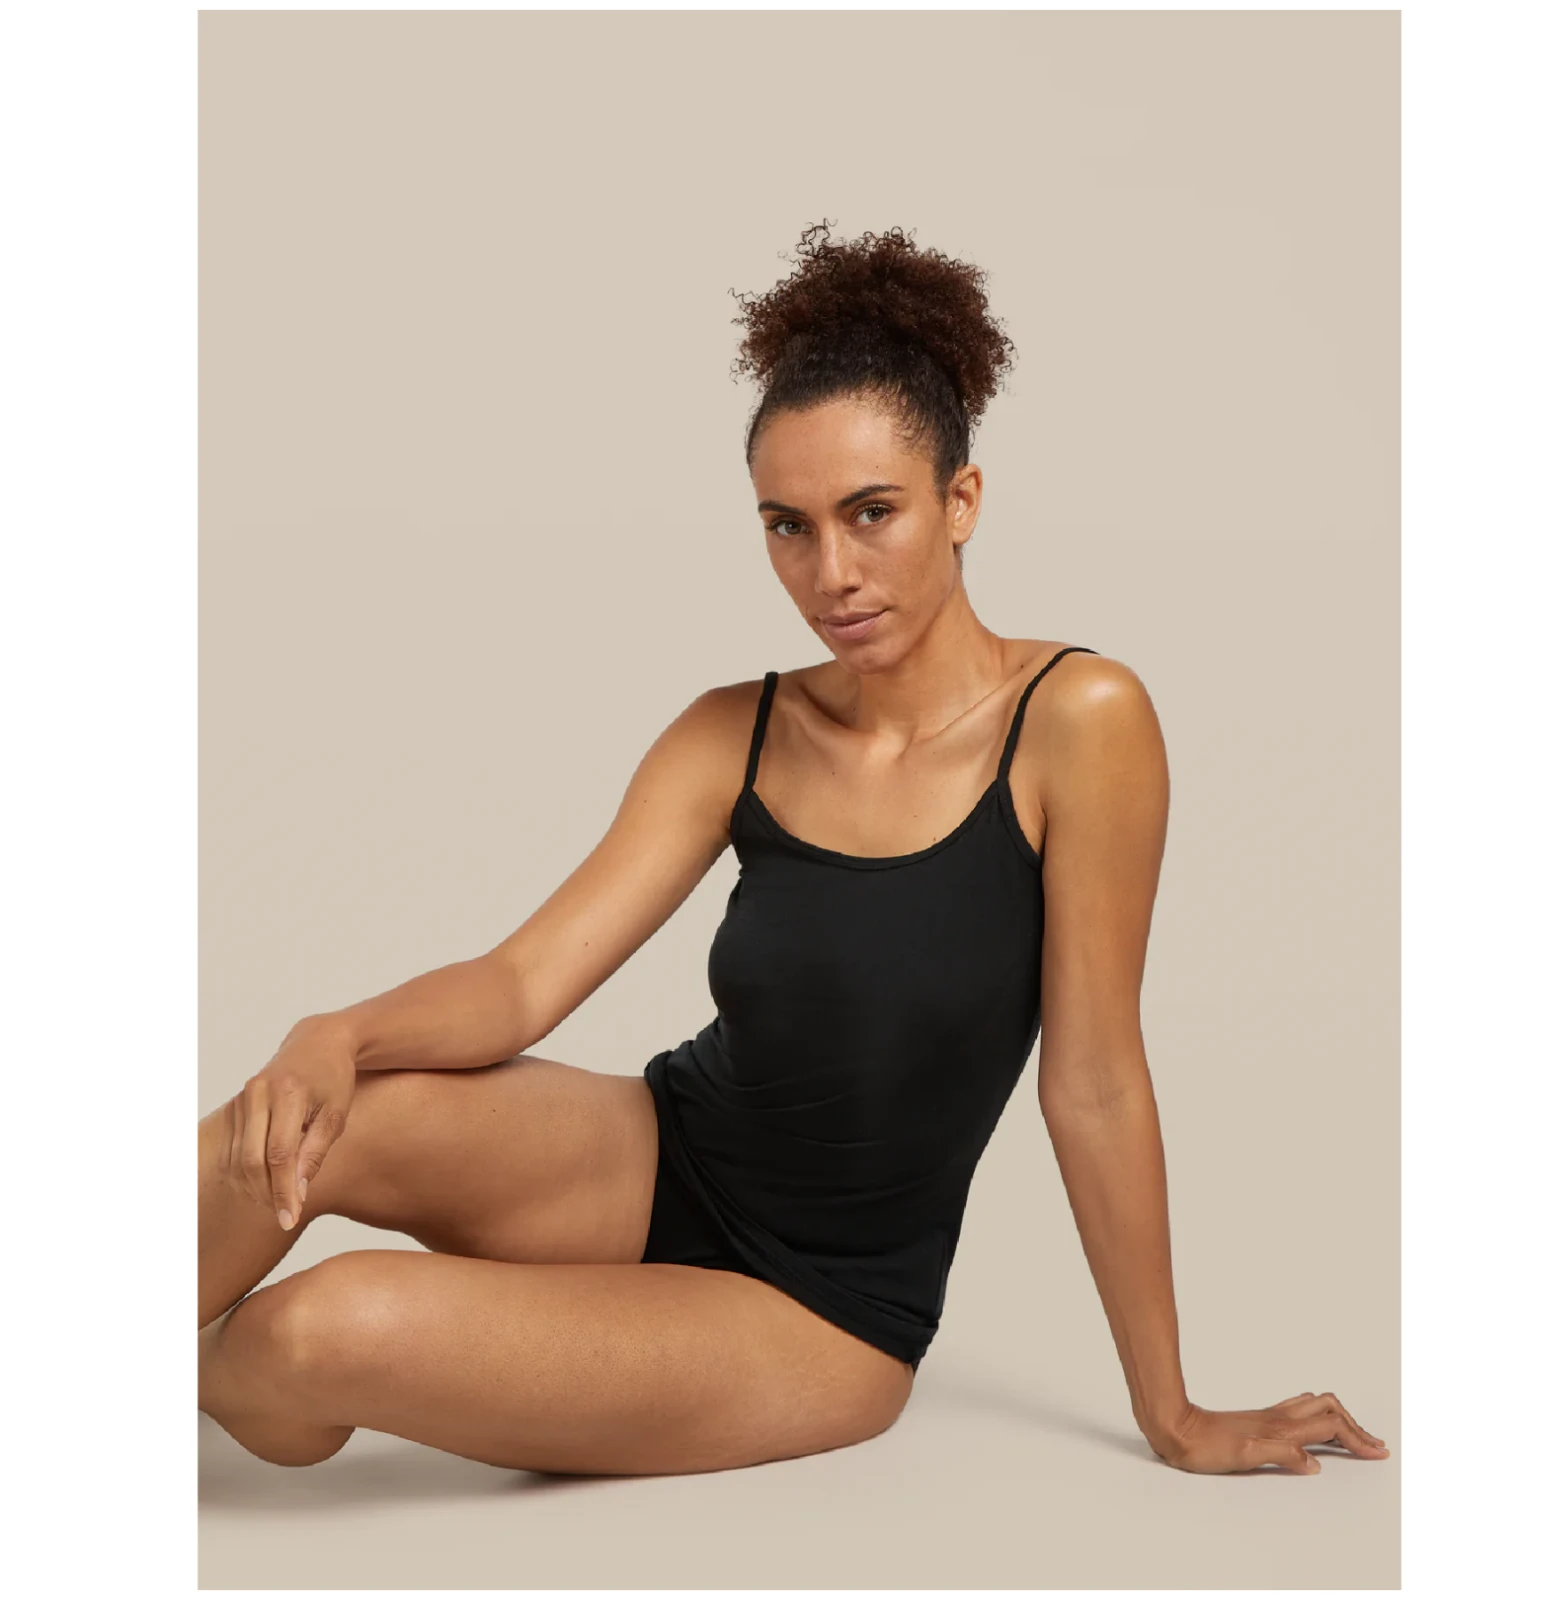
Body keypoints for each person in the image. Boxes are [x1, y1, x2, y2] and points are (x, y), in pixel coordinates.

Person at [198, 222, 1387, 1479]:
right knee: (300, 1123)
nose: (832, 573)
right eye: (788, 525)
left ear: (961, 500)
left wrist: (1173, 1410)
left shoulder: (1081, 722)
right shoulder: (739, 730)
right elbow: (519, 984)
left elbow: (1092, 1082)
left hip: (816, 1312)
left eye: (872, 514)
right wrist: (335, 1034)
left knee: (308, 1333)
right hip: (654, 1155)